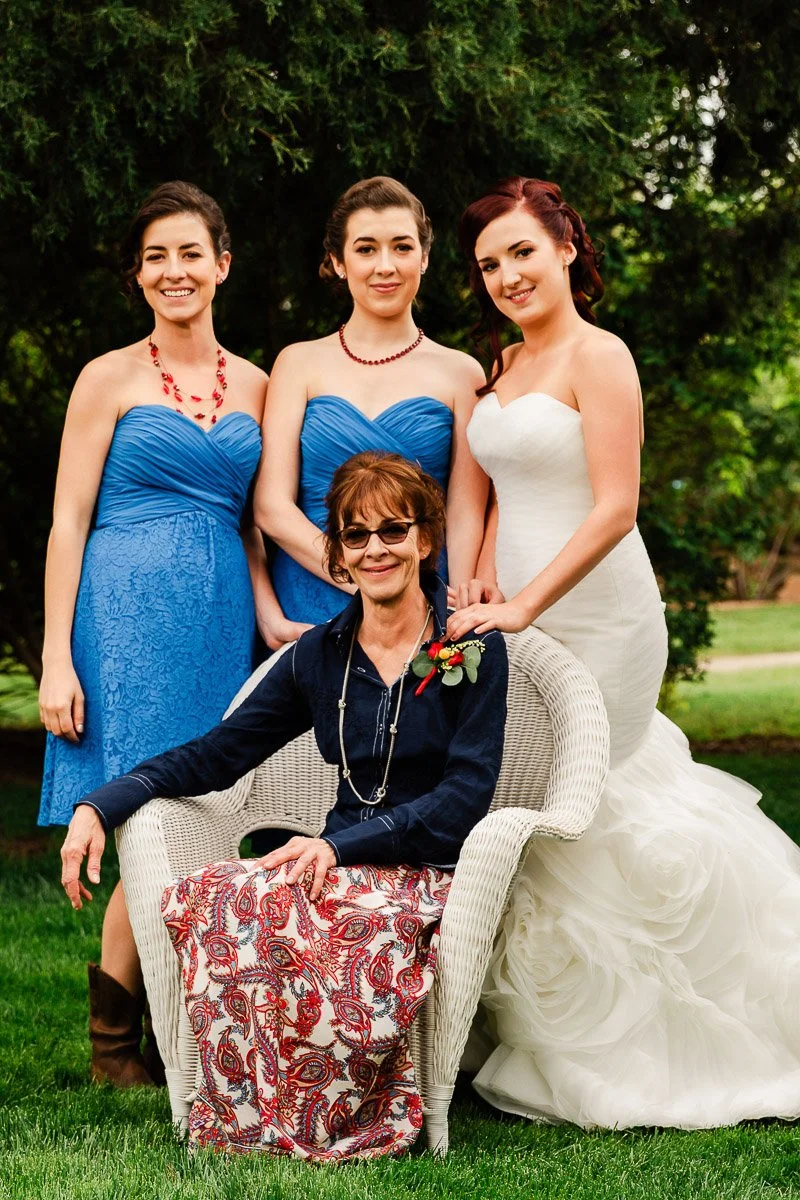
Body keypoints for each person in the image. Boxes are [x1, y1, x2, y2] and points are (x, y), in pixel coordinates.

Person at [448, 176, 800, 1129]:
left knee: (594, 792)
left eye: (523, 252)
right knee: (532, 792)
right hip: (516, 610)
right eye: (489, 264)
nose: (507, 276)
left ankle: (657, 1036)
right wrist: (480, 580)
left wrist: (526, 603)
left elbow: (614, 507)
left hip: (599, 609)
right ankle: (545, 1019)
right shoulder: (503, 363)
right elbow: (504, 487)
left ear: (567, 248)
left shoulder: (599, 356)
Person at [59, 451, 509, 1160]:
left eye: (393, 530)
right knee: (219, 898)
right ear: (338, 554)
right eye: (355, 535)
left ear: (426, 539)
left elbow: (464, 799)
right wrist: (100, 804)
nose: (375, 549)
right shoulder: (318, 656)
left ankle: (343, 1119)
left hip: (431, 871)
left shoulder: (471, 647)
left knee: (331, 927)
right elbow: (214, 756)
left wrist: (337, 847)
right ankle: (247, 1112)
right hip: (334, 866)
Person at [38, 181, 300, 1087]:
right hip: (124, 618)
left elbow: (254, 526)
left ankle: (149, 1028)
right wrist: (57, 658)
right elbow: (67, 522)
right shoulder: (107, 377)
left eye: (191, 253)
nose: (174, 271)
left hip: (219, 621)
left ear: (222, 264)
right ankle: (117, 1044)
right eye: (156, 257)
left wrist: (267, 614)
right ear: (138, 275)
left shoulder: (260, 385)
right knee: (146, 813)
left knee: (200, 819)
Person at [255, 176, 492, 626]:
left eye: (402, 247)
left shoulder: (462, 374)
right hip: (313, 591)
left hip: (420, 599)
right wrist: (359, 576)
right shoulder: (297, 363)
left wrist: (455, 616)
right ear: (338, 262)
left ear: (424, 258)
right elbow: (271, 505)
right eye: (366, 249)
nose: (385, 266)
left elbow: (464, 513)